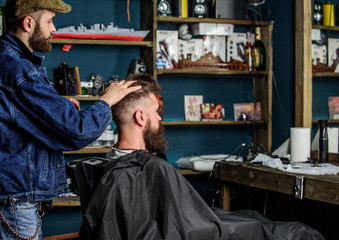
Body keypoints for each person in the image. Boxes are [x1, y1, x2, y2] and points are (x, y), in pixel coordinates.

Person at [79, 74, 325, 240]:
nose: (160, 119)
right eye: (156, 113)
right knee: (299, 232)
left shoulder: (109, 166)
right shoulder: (148, 167)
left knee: (252, 217)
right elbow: (198, 227)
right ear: (141, 118)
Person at [0, 0, 141, 239]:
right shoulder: (20, 71)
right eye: (50, 21)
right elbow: (77, 131)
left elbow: (17, 118)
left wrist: (58, 107)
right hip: (16, 201)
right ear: (28, 23)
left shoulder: (8, 63)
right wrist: (106, 101)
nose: (54, 29)